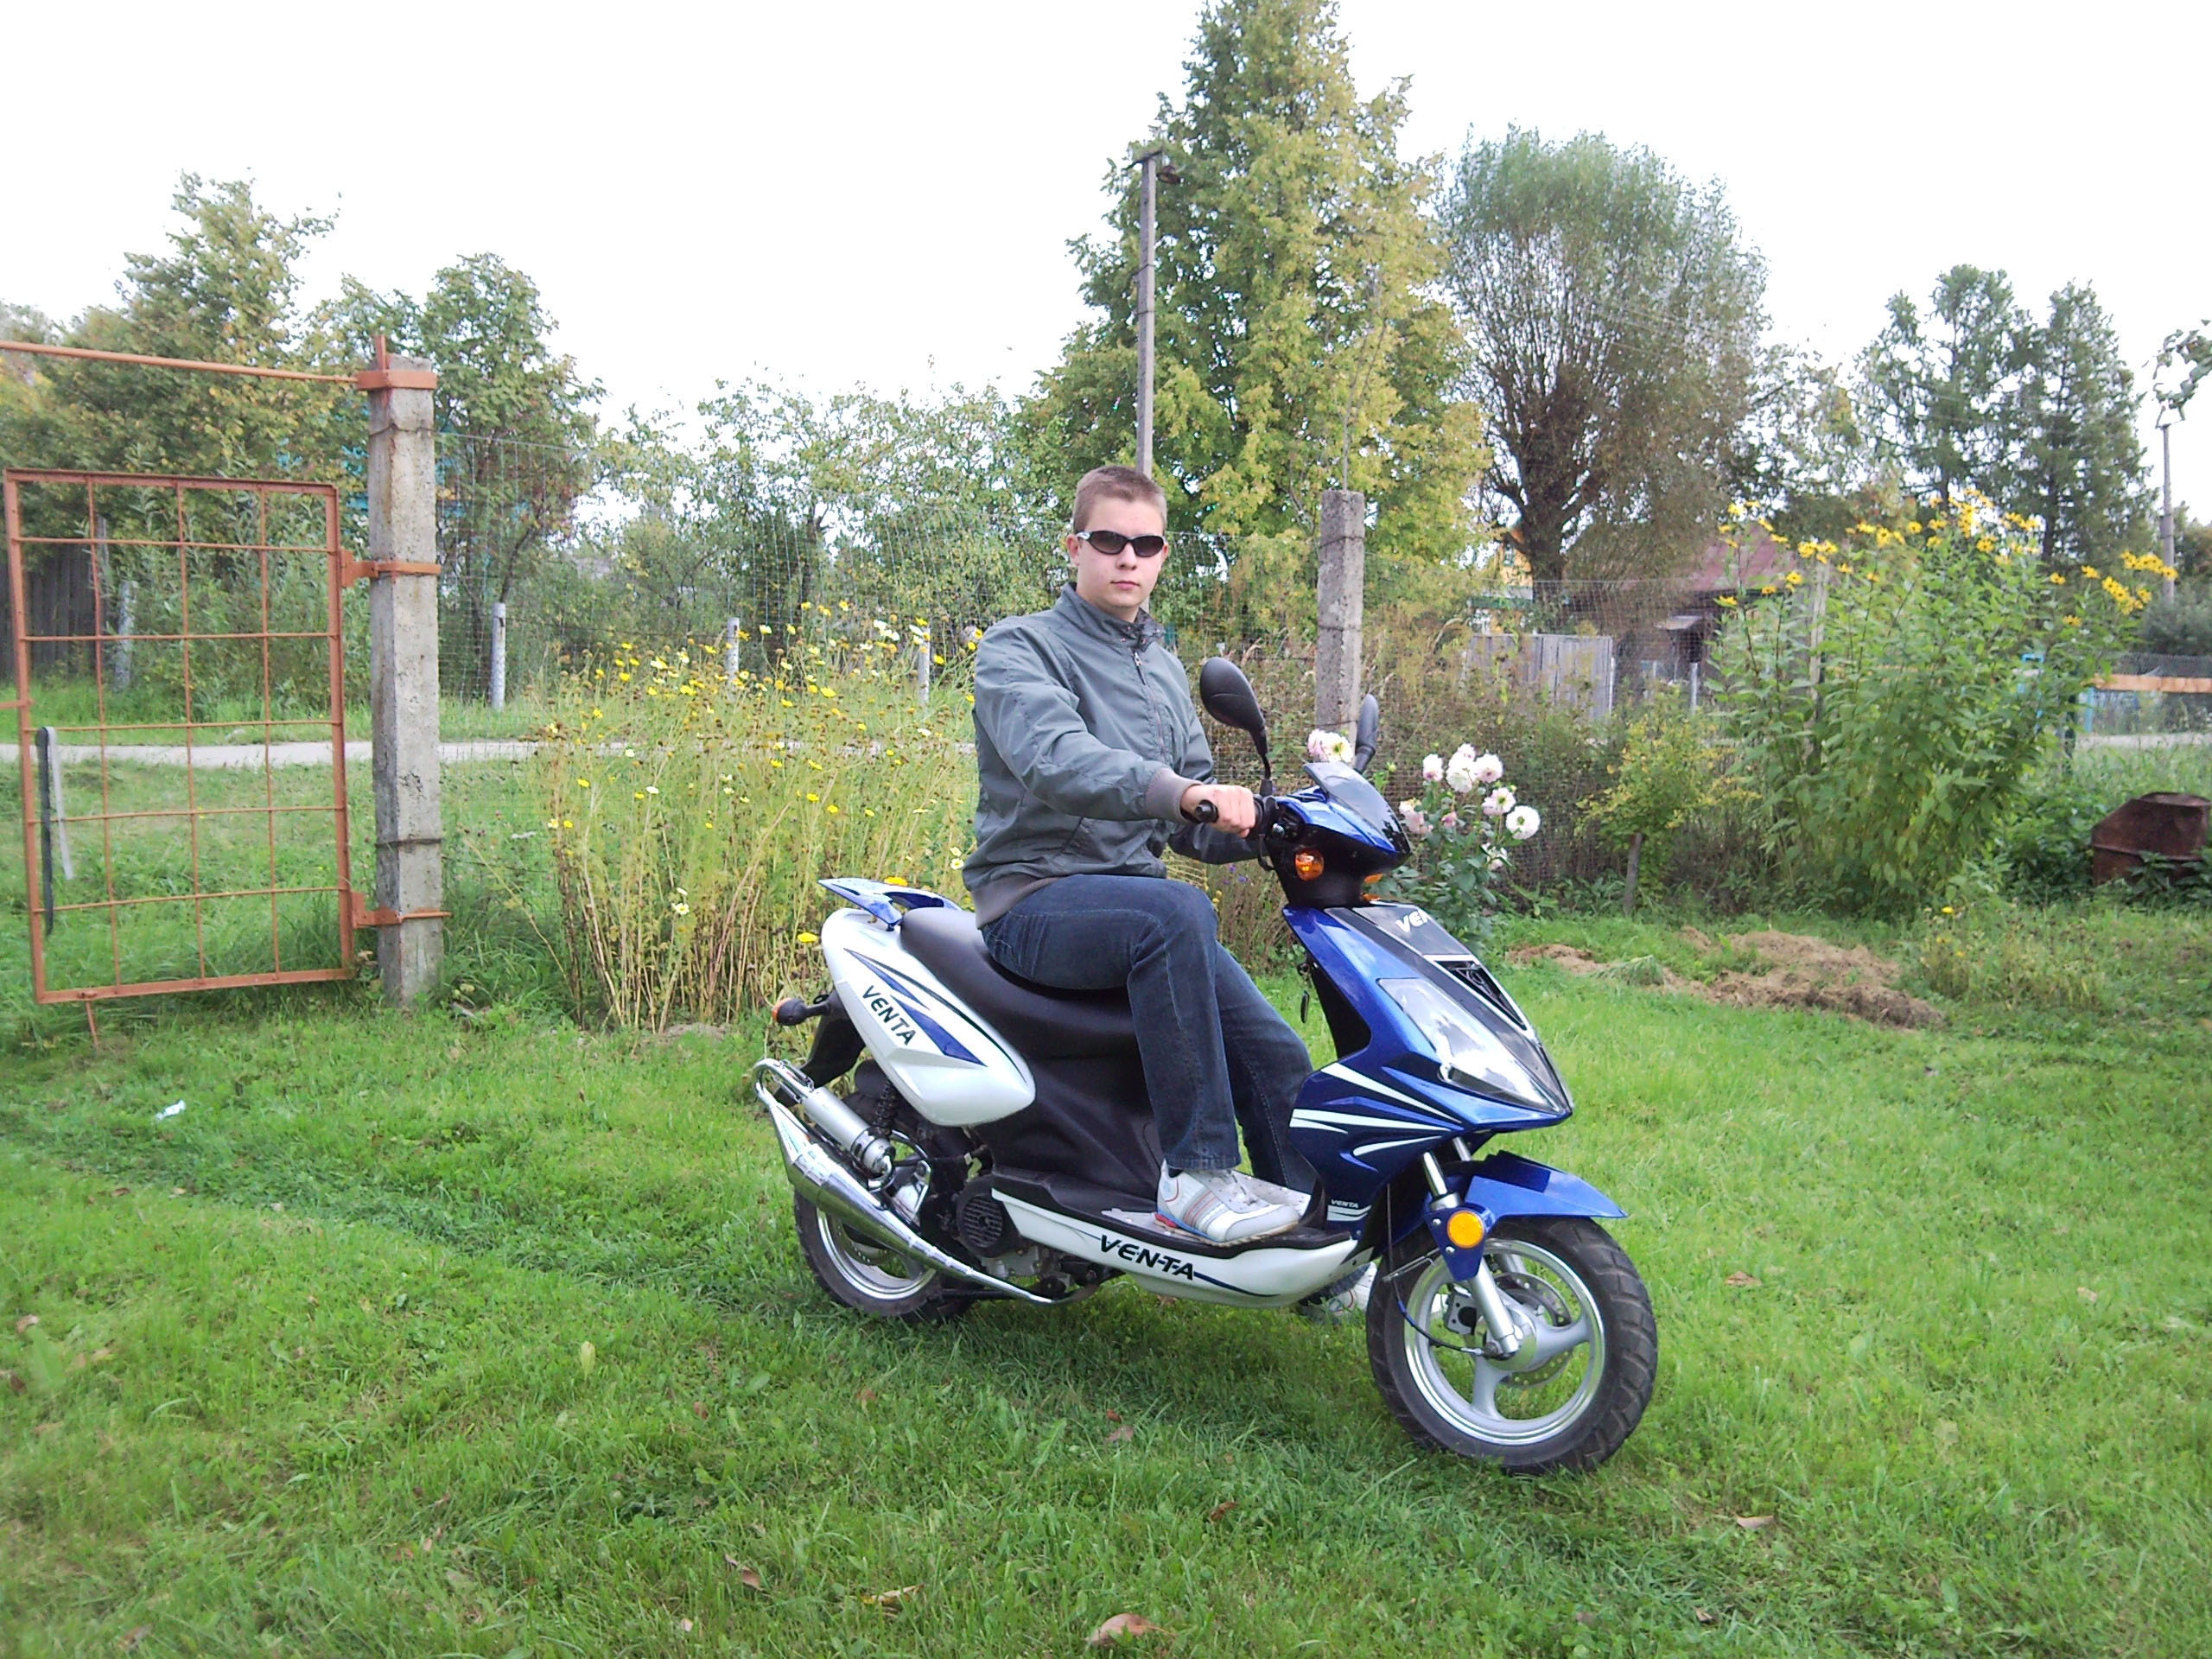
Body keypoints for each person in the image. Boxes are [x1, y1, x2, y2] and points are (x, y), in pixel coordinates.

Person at [963, 464, 1316, 1244]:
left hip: (1139, 908)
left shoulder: (1159, 666)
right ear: (1074, 547)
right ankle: (1196, 1176)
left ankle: (1310, 1242)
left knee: (1273, 1051)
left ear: (1162, 555)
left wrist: (1275, 826)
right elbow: (1056, 760)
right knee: (1175, 911)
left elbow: (1189, 821)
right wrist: (1185, 793)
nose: (1128, 557)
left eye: (1146, 544)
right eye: (1109, 540)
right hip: (1034, 898)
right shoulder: (1021, 646)